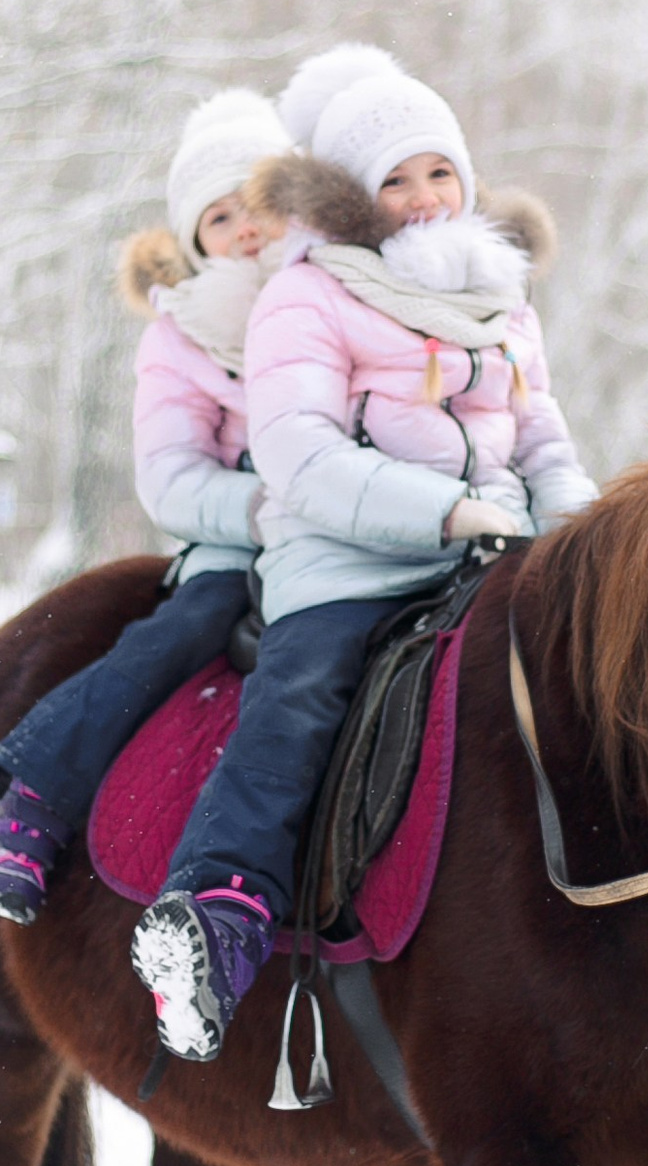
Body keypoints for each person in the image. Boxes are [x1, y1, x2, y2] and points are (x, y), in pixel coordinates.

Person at [128, 45, 599, 1063]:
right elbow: (297, 451)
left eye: (439, 171)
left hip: (496, 550)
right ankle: (217, 908)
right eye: (395, 178)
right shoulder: (308, 296)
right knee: (301, 695)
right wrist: (447, 512)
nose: (425, 197)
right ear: (355, 196)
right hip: (347, 565)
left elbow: (544, 436)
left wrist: (579, 529)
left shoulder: (500, 300)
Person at [0, 89, 291, 926]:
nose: (245, 231)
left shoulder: (338, 303)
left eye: (260, 208)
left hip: (344, 536)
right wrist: (268, 508)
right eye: (218, 219)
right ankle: (40, 792)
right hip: (237, 541)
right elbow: (169, 479)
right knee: (185, 630)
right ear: (193, 242)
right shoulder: (181, 336)